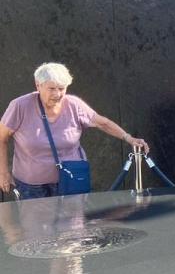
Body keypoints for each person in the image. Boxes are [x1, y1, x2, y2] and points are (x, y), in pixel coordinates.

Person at [0, 63, 149, 199]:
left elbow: (102, 123)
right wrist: (3, 172)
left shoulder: (73, 104)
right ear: (38, 85)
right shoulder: (20, 106)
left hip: (70, 181)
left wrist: (128, 138)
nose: (57, 94)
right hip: (31, 186)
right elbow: (1, 138)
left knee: (73, 227)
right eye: (52, 88)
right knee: (34, 228)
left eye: (61, 88)